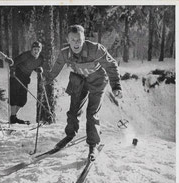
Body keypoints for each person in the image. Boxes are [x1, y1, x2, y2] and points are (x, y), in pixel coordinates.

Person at [44, 25, 122, 160]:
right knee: (73, 109)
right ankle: (69, 135)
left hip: (97, 80)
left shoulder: (95, 49)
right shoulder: (64, 53)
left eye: (79, 40)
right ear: (68, 40)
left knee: (92, 113)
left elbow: (111, 65)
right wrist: (47, 79)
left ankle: (93, 144)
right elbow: (56, 68)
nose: (76, 43)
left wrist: (116, 86)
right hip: (79, 79)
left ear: (84, 38)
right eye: (73, 40)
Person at [9, 41, 44, 124]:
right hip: (16, 76)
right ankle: (13, 117)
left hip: (25, 78)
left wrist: (38, 69)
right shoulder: (26, 55)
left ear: (40, 50)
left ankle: (13, 116)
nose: (36, 51)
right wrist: (12, 71)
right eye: (34, 49)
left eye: (38, 49)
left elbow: (35, 66)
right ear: (31, 49)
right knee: (14, 96)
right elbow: (14, 62)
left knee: (23, 100)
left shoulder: (40, 58)